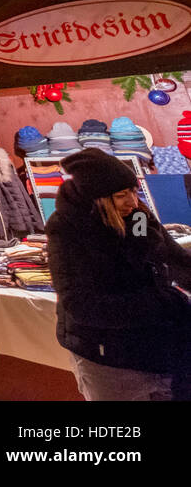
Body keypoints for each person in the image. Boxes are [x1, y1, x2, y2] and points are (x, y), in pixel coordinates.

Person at [47, 148, 191, 400]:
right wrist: (160, 303)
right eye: (121, 196)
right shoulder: (68, 230)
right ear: (97, 198)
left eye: (134, 192)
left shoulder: (139, 219)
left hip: (157, 349)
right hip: (107, 357)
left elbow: (177, 260)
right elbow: (81, 305)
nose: (133, 202)